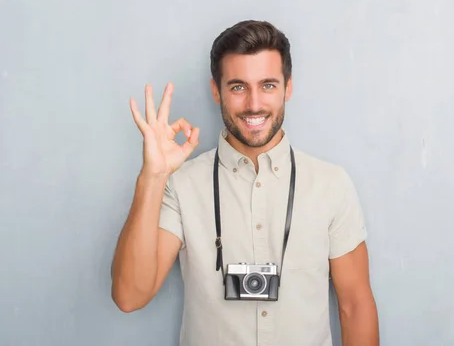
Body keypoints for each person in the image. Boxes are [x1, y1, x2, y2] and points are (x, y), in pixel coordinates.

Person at [110, 20, 379, 346]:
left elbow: (355, 305)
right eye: (238, 87)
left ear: (288, 88)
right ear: (216, 91)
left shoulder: (330, 185)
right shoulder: (182, 186)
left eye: (268, 85)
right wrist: (152, 176)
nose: (254, 104)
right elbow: (129, 296)